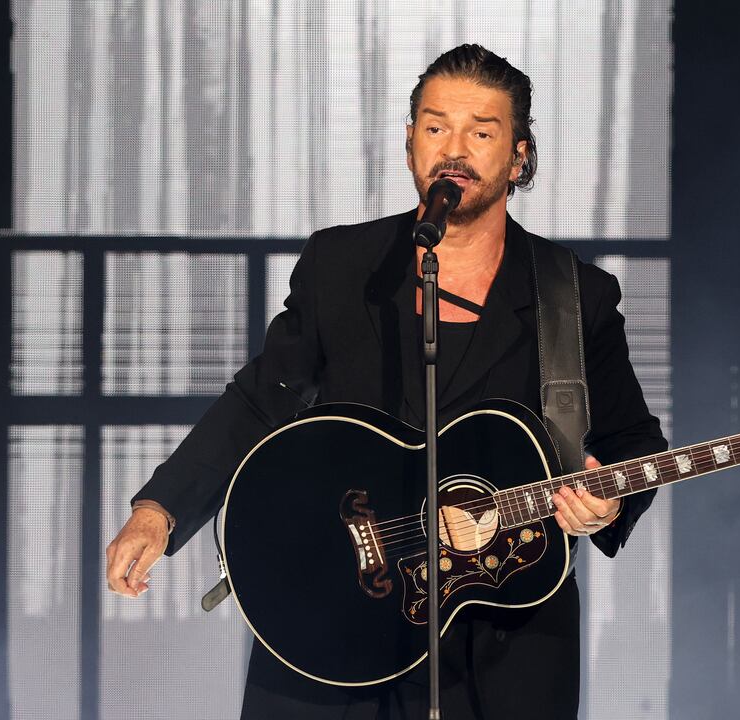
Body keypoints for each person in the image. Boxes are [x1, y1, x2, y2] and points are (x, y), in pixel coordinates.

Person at [105, 44, 666, 719]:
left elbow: (633, 442)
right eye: (435, 127)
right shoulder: (343, 266)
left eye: (481, 133)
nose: (453, 149)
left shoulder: (574, 295)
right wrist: (160, 510)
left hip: (500, 638)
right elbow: (261, 400)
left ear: (519, 157)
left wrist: (608, 504)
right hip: (332, 616)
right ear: (409, 143)